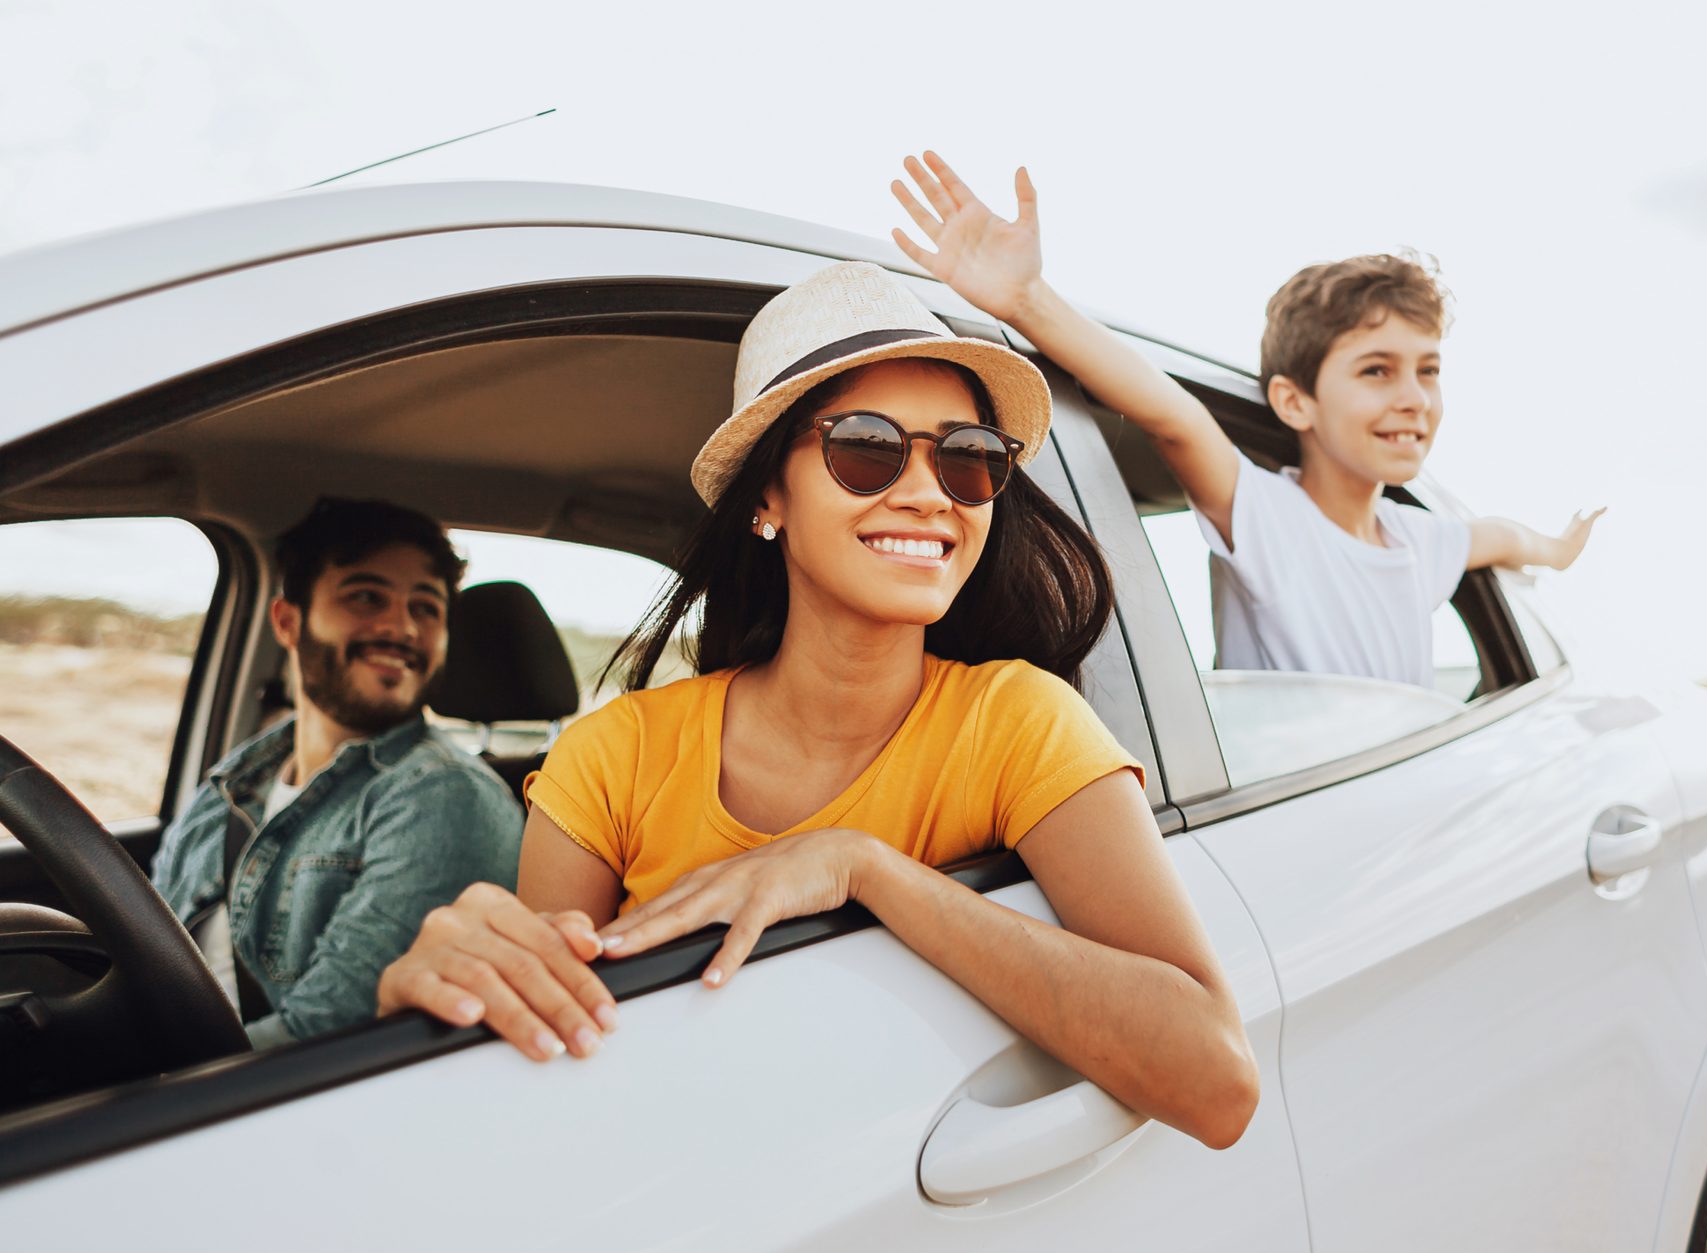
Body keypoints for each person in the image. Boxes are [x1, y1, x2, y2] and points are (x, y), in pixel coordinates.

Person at [376, 261, 1260, 1149]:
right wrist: (440, 998)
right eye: (868, 448)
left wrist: (865, 869)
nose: (926, 492)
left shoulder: (1018, 723)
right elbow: (532, 1066)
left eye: (968, 457)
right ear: (767, 496)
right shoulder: (614, 758)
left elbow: (1216, 1082)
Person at [888, 151, 1605, 688]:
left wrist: (1557, 548)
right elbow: (1175, 418)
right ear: (1296, 403)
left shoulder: (1423, 539)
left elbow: (1501, 536)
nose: (1414, 396)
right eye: (1377, 370)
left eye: (1428, 370)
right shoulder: (1270, 519)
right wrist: (1025, 299)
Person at [151, 498, 523, 1047]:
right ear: (288, 622)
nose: (401, 627)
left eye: (426, 607)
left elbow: (326, 1040)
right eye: (366, 597)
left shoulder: (442, 796)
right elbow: (144, 940)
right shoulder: (236, 778)